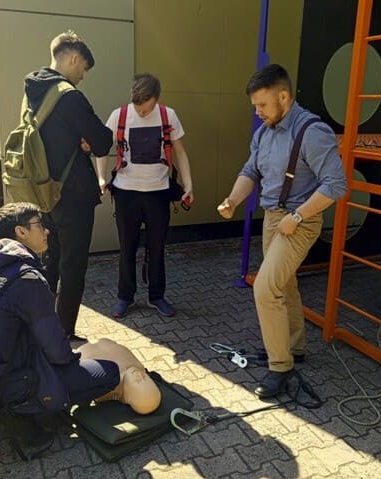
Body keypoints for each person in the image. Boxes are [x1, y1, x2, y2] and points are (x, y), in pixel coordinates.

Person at [217, 64, 347, 398]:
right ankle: (294, 346)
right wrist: (232, 199)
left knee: (265, 287)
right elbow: (250, 171)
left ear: (284, 97)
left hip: (299, 222)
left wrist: (299, 216)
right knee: (284, 285)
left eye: (262, 105)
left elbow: (336, 184)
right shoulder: (264, 133)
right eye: (255, 106)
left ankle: (281, 367)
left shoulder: (312, 131)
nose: (258, 112)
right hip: (273, 219)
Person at [0, 202, 120, 449]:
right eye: (40, 225)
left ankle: (11, 407)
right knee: (109, 372)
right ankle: (30, 409)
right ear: (21, 232)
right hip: (12, 380)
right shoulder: (26, 279)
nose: (47, 230)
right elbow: (59, 353)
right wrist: (75, 360)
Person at [23, 30, 113, 342]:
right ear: (74, 58)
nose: (83, 76)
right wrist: (86, 141)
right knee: (72, 267)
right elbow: (103, 141)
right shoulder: (69, 96)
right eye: (84, 68)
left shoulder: (32, 93)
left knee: (49, 263)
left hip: (44, 193)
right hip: (73, 195)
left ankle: (42, 328)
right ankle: (63, 334)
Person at [96, 73, 194, 318]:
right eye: (138, 107)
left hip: (158, 193)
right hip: (126, 192)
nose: (141, 112)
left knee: (157, 247)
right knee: (127, 247)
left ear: (156, 99)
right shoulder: (119, 115)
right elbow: (101, 148)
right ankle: (125, 297)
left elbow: (180, 153)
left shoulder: (168, 115)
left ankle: (157, 296)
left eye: (146, 108)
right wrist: (101, 178)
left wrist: (189, 185)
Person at [76, 339, 161, 414]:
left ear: (128, 399)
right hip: (106, 342)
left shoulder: (107, 387)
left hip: (81, 351)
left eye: (138, 381)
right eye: (146, 377)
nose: (139, 374)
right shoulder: (139, 368)